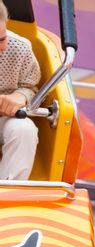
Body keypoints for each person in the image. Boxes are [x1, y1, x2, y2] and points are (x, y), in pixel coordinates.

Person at [0, 0, 40, 180]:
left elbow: (31, 86)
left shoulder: (19, 47)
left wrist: (20, 95)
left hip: (4, 118)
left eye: (2, 38)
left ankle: (8, 195)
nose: (3, 47)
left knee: (24, 130)